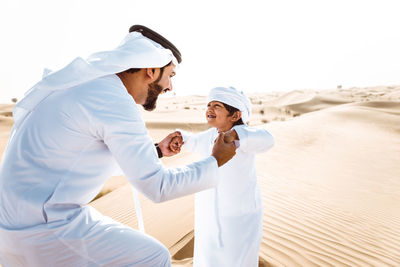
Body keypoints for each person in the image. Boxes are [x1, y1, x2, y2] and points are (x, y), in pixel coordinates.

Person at [0, 25, 236, 267]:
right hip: (42, 228)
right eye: (170, 76)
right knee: (152, 256)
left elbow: (83, 161)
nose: (170, 87)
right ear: (151, 70)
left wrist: (155, 151)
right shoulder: (111, 99)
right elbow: (158, 187)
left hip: (16, 224)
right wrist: (215, 160)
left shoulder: (91, 87)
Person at [169, 87, 274, 267]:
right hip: (208, 215)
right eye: (208, 104)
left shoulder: (244, 137)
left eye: (217, 105)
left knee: (236, 260)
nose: (209, 109)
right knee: (207, 259)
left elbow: (267, 139)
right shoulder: (210, 135)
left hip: (238, 217)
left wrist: (237, 134)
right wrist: (181, 138)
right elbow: (194, 142)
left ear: (235, 115)